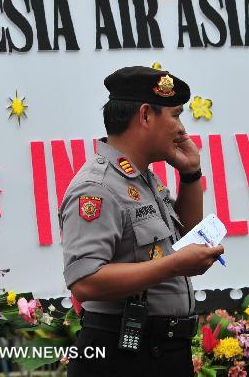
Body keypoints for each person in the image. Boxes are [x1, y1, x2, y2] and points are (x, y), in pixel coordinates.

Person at [59, 66, 224, 377]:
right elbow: (85, 282)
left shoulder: (141, 178)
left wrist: (190, 173)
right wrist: (173, 265)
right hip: (120, 356)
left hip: (162, 352)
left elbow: (185, 237)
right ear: (146, 115)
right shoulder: (97, 187)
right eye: (175, 116)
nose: (182, 130)